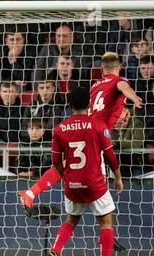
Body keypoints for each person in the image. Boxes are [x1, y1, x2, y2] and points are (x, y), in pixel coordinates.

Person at [19, 51, 142, 208]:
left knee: (66, 164)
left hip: (85, 127)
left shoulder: (96, 86)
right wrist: (133, 97)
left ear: (102, 69)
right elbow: (123, 86)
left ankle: (31, 193)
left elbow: (99, 111)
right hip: (95, 134)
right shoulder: (119, 81)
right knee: (102, 205)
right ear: (119, 67)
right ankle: (102, 214)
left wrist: (115, 121)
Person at [41, 86, 123, 256]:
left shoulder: (59, 129)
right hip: (95, 183)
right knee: (106, 221)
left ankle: (53, 252)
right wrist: (118, 178)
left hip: (72, 183)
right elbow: (110, 157)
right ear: (90, 104)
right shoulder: (98, 126)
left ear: (69, 106)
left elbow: (55, 160)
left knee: (70, 220)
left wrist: (66, 176)